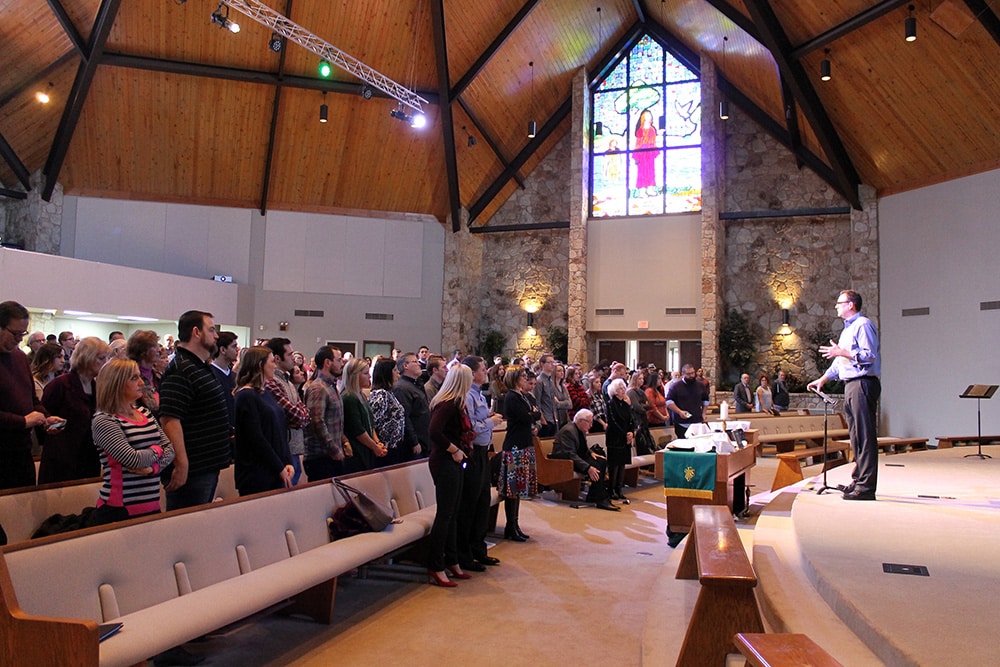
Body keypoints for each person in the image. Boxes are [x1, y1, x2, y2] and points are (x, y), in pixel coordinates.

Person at [807, 290, 881, 501]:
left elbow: (869, 356)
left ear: (851, 305)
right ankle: (858, 480)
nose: (836, 306)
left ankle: (866, 487)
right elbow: (840, 363)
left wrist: (842, 352)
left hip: (863, 383)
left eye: (839, 303)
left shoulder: (863, 325)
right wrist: (823, 379)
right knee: (856, 437)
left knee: (865, 437)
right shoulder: (847, 330)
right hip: (851, 384)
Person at [158, 310, 232, 510]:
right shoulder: (181, 369)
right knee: (186, 531)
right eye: (211, 329)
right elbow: (170, 420)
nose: (216, 335)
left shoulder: (198, 365)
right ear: (196, 332)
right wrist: (181, 464)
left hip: (205, 466)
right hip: (193, 471)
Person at [91, 359, 175, 524]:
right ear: (117, 383)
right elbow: (132, 459)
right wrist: (157, 450)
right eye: (134, 378)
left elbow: (170, 450)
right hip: (119, 508)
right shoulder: (104, 420)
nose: (141, 382)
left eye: (140, 377)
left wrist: (153, 468)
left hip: (151, 504)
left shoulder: (144, 412)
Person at [0, 301, 61, 489]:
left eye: (23, 334)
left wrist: (46, 418)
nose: (19, 339)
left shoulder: (18, 357)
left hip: (21, 451)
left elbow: (31, 398)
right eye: (15, 333)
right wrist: (24, 421)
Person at [426, 364, 476, 587]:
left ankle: (452, 560)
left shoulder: (458, 403)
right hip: (445, 461)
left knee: (454, 513)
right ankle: (436, 566)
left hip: (455, 461)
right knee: (445, 514)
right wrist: (454, 449)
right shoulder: (446, 404)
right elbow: (434, 432)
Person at [39, 336, 110, 483]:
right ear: (87, 358)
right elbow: (44, 421)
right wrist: (55, 426)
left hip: (88, 457)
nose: (106, 363)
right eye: (101, 358)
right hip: (62, 460)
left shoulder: (96, 387)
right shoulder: (60, 385)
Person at [457, 356, 504, 572]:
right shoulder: (467, 396)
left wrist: (489, 419)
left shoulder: (479, 394)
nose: (486, 372)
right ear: (472, 373)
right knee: (471, 504)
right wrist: (490, 422)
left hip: (484, 452)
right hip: (472, 453)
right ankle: (465, 553)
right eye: (483, 369)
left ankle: (479, 548)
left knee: (483, 500)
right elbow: (470, 427)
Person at [233, 347, 294, 495]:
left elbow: (279, 430)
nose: (275, 365)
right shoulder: (246, 396)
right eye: (272, 361)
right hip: (257, 473)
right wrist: (279, 466)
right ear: (260, 365)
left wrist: (287, 462)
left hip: (275, 468)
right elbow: (256, 438)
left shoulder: (265, 392)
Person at [499, 366, 538, 542]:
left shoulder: (523, 396)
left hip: (525, 443)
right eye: (522, 376)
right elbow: (528, 417)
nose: (525, 378)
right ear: (515, 378)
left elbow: (535, 414)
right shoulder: (511, 397)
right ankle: (510, 526)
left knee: (519, 489)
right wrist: (533, 414)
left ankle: (515, 524)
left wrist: (533, 414)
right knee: (513, 489)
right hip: (515, 446)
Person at [551, 409, 618, 511]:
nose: (591, 425)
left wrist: (591, 453)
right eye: (590, 422)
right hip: (565, 461)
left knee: (602, 462)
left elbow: (583, 447)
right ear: (581, 421)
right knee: (595, 466)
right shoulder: (568, 431)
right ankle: (600, 499)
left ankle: (594, 495)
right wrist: (588, 468)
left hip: (576, 458)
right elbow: (570, 454)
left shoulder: (580, 429)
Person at [264, 338, 309, 485]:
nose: (294, 360)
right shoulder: (272, 382)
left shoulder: (288, 381)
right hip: (285, 450)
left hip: (294, 448)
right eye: (290, 355)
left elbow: (304, 413)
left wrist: (301, 413)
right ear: (277, 358)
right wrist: (301, 413)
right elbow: (296, 416)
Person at [303, 346, 347, 481]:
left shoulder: (331, 386)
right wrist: (333, 449)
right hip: (321, 458)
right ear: (327, 362)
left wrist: (343, 442)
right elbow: (316, 422)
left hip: (330, 456)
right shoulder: (318, 388)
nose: (342, 364)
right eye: (339, 360)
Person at [341, 358, 387, 472]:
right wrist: (374, 446)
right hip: (357, 451)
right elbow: (357, 430)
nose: (369, 377)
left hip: (367, 448)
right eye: (366, 373)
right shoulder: (349, 397)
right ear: (355, 376)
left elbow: (371, 424)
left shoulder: (361, 395)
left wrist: (377, 442)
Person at [369, 357, 409, 466]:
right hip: (385, 447)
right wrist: (378, 444)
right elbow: (374, 423)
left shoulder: (389, 392)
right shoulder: (381, 394)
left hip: (394, 446)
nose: (398, 373)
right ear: (387, 373)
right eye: (395, 370)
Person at [393, 352, 430, 458]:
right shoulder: (402, 388)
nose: (419, 364)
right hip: (414, 444)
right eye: (415, 361)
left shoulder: (415, 384)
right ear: (405, 366)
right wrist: (414, 441)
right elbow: (405, 416)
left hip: (424, 440)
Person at [605, 377, 634, 503]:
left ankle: (619, 489)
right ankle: (611, 490)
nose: (623, 390)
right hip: (615, 438)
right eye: (620, 389)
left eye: (623, 388)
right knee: (614, 465)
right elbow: (613, 421)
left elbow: (631, 420)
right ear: (615, 391)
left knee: (622, 464)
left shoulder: (626, 404)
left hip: (625, 438)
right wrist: (624, 434)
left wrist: (631, 432)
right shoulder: (611, 404)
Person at [665, 364, 710, 439]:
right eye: (689, 374)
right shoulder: (676, 386)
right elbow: (668, 401)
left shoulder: (700, 385)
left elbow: (705, 400)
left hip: (697, 421)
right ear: (683, 374)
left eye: (693, 373)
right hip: (682, 422)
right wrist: (679, 411)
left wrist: (704, 413)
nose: (692, 376)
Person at [209, 331, 239, 431]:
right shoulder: (210, 375)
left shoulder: (235, 377)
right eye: (234, 346)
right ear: (222, 350)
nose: (237, 350)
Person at [127, 330, 162, 414]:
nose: (159, 350)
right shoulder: (130, 376)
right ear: (143, 351)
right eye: (154, 347)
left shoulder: (158, 376)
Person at [533, 353, 558, 437]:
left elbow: (552, 400)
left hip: (552, 418)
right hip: (545, 419)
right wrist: (543, 420)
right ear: (542, 364)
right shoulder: (539, 381)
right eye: (550, 362)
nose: (552, 365)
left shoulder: (550, 380)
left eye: (553, 362)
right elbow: (537, 402)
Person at [632, 108, 657, 192]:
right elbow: (638, 143)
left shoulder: (652, 129)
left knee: (650, 170)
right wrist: (636, 156)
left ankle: (650, 189)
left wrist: (654, 150)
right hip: (642, 153)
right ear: (643, 117)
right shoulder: (640, 130)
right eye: (647, 115)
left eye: (650, 115)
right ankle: (642, 191)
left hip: (650, 152)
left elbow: (654, 141)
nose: (649, 117)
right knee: (642, 171)